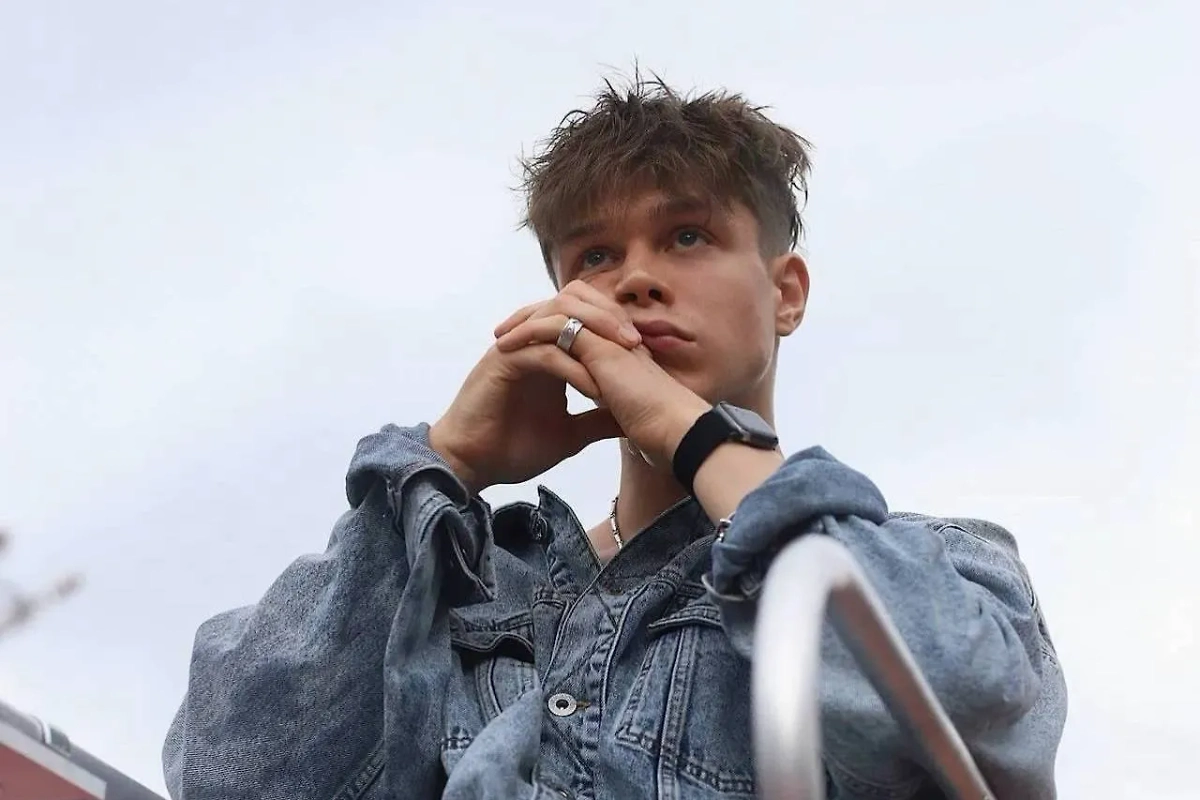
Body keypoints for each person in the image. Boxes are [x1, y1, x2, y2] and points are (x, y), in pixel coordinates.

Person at [163, 75, 1067, 800]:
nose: (636, 279)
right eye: (595, 256)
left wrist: (694, 437)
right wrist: (445, 464)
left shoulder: (938, 566)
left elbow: (980, 715)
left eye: (688, 235)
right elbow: (227, 773)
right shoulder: (471, 583)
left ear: (785, 293)